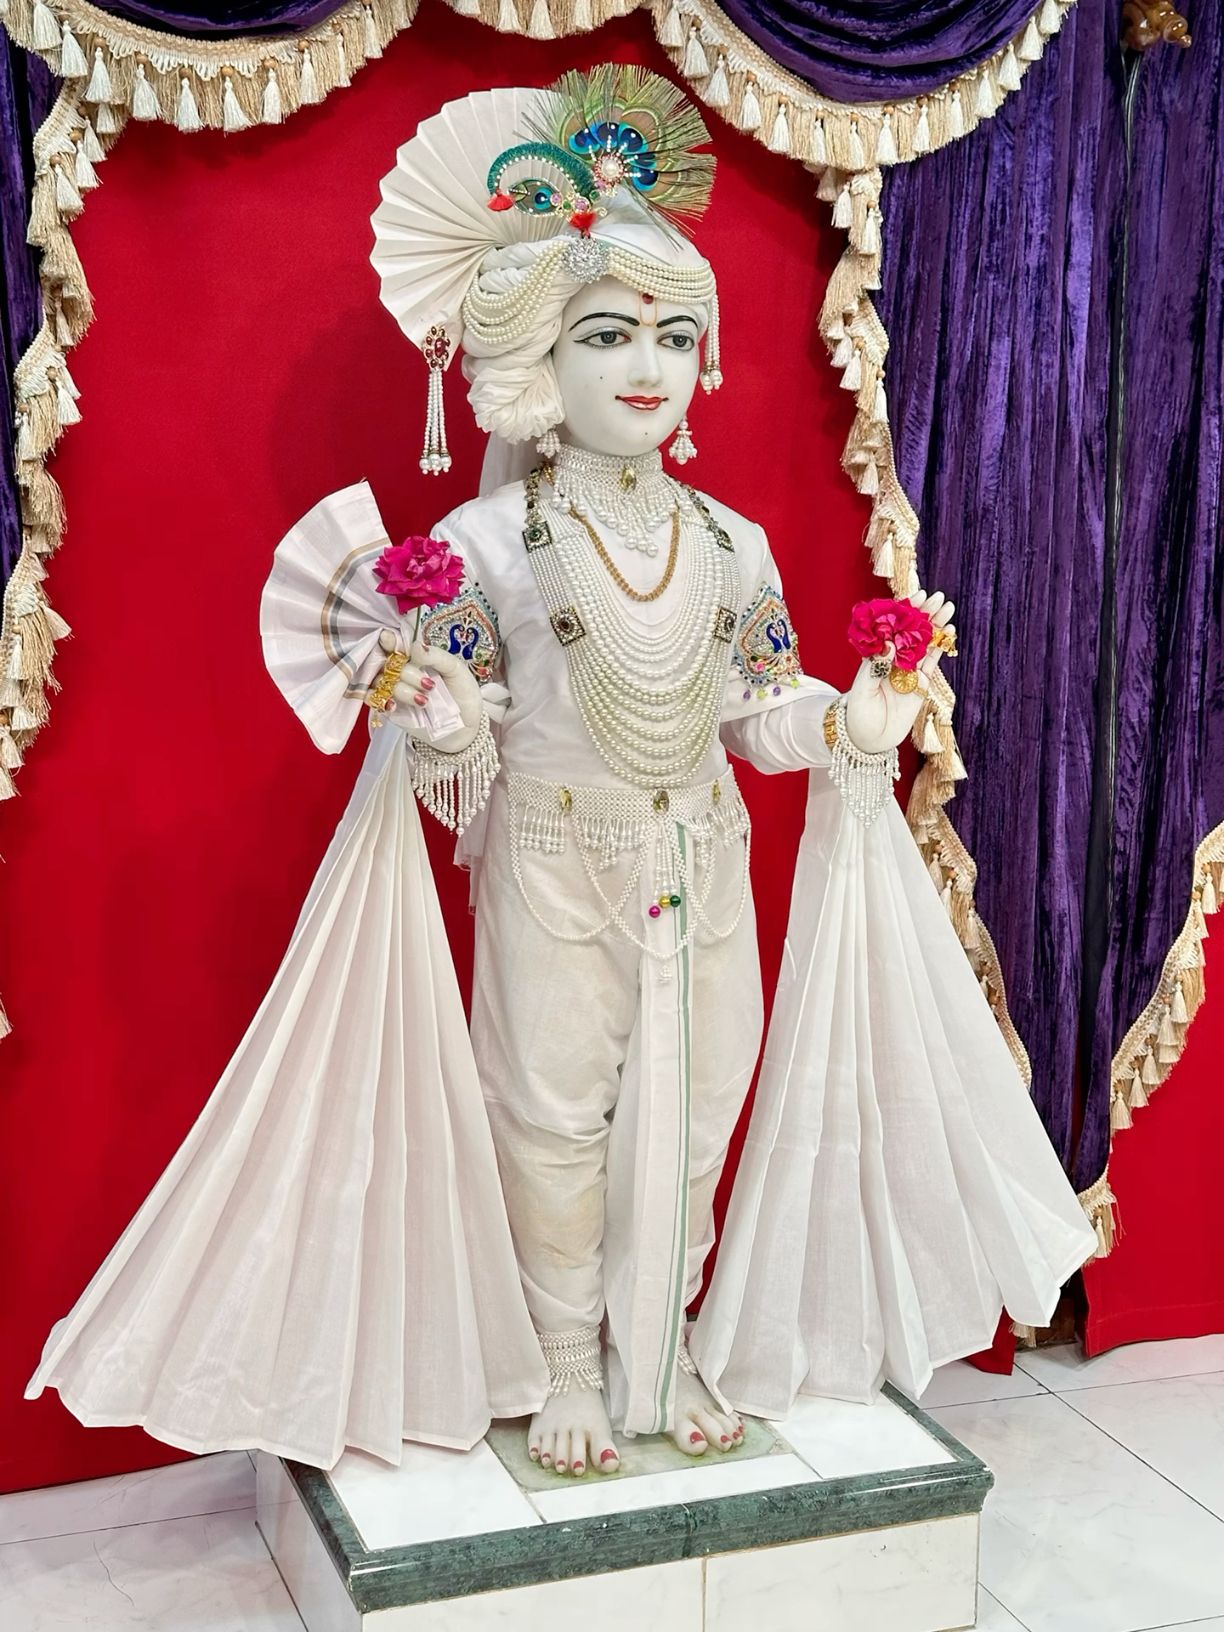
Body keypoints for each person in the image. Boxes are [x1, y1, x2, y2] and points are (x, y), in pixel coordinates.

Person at [28, 67, 1095, 1479]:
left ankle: (667, 1346)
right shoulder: (485, 547)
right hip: (548, 860)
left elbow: (755, 708)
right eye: (606, 335)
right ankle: (571, 1364)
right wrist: (438, 716)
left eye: (672, 335)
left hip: (702, 860)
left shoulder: (733, 545)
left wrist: (852, 721)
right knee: (551, 1122)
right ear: (539, 357)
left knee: (697, 1114)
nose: (645, 367)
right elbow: (458, 724)